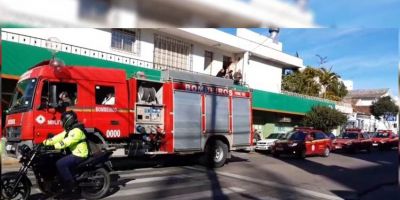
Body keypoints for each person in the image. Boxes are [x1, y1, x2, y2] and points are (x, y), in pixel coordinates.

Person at [42, 111, 88, 193]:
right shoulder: (70, 130)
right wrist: (44, 143)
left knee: (60, 163)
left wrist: (54, 146)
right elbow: (57, 138)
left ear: (68, 120)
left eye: (63, 120)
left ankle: (72, 184)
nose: (62, 122)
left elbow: (67, 142)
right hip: (73, 153)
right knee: (52, 158)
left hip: (80, 154)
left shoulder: (77, 131)